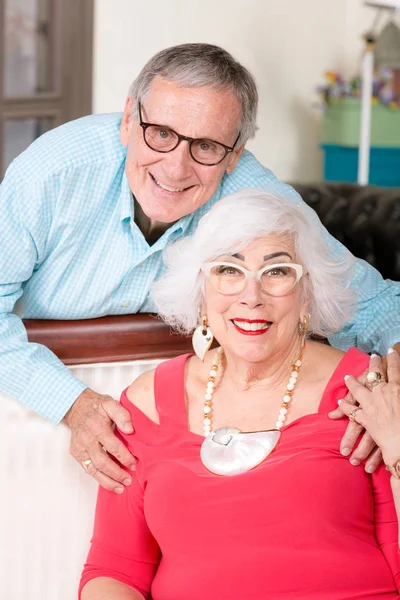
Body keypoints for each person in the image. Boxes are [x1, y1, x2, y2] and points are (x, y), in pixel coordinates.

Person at [0, 44, 398, 493]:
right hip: (20, 405)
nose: (175, 167)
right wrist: (70, 403)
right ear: (129, 119)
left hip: (170, 434)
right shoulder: (52, 171)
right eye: (161, 133)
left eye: (206, 146)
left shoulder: (254, 195)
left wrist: (393, 382)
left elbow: (377, 304)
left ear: (234, 154)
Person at [80, 190, 400, 600]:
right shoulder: (146, 405)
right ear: (202, 293)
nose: (251, 296)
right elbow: (115, 570)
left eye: (277, 271)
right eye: (229, 270)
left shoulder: (367, 390)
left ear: (308, 293)